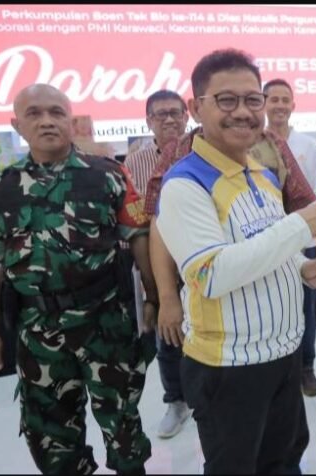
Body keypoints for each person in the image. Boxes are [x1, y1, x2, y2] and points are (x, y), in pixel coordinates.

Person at [154, 48, 316, 474]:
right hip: (229, 368)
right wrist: (302, 224)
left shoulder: (262, 176)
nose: (243, 112)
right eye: (226, 100)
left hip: (283, 355)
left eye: (252, 100)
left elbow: (269, 249)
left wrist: (304, 269)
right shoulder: (184, 185)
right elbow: (211, 274)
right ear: (196, 108)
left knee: (284, 460)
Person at [0, 84, 157, 475]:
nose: (47, 121)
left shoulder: (107, 175)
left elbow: (140, 240)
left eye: (56, 112)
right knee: (52, 440)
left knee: (124, 429)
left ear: (70, 121)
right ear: (17, 125)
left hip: (106, 324)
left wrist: (154, 299)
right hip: (38, 332)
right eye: (34, 114)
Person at [124, 89, 193, 439]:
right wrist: (153, 291)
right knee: (168, 337)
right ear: (148, 120)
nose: (169, 120)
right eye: (160, 114)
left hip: (202, 258)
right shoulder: (134, 162)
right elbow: (136, 224)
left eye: (175, 113)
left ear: (187, 116)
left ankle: (207, 398)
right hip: (158, 262)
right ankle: (176, 401)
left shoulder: (202, 149)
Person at [264, 77, 316, 397]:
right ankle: (280, 372)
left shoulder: (309, 146)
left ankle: (307, 367)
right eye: (273, 99)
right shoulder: (254, 146)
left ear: (293, 105)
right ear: (263, 104)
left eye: (284, 99)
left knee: (305, 310)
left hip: (305, 241)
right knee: (274, 308)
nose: (279, 105)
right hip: (267, 243)